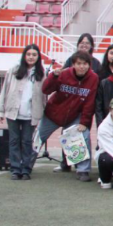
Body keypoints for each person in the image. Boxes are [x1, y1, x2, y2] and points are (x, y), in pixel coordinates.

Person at [38, 51, 98, 181]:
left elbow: (89, 103)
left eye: (85, 64)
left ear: (89, 65)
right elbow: (46, 90)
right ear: (73, 64)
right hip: (53, 113)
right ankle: (24, 165)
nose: (82, 66)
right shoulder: (63, 74)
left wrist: (84, 122)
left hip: (74, 116)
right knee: (37, 139)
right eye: (79, 63)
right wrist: (53, 76)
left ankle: (83, 170)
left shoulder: (93, 78)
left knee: (83, 135)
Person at [0, 44, 46, 180]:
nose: (31, 57)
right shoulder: (14, 71)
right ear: (24, 56)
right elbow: (5, 90)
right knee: (14, 140)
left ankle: (26, 169)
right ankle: (15, 169)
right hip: (13, 112)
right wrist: (0, 110)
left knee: (27, 142)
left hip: (31, 114)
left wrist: (43, 112)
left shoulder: (41, 74)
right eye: (28, 54)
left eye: (34, 55)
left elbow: (44, 96)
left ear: (38, 57)